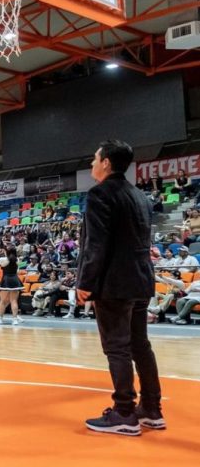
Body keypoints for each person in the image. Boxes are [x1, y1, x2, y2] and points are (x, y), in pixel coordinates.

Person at [77, 140, 163, 435]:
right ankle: (152, 408)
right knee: (141, 346)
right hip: (140, 279)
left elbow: (96, 245)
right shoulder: (139, 195)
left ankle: (124, 412)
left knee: (117, 348)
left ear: (106, 163)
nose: (91, 164)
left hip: (115, 283)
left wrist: (85, 283)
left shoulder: (100, 194)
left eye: (94, 159)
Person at [0, 246, 23, 325]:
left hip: (6, 280)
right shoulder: (17, 260)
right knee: (14, 301)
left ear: (7, 252)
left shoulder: (3, 260)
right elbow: (18, 271)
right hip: (15, 279)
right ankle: (15, 320)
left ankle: (0, 319)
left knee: (2, 301)